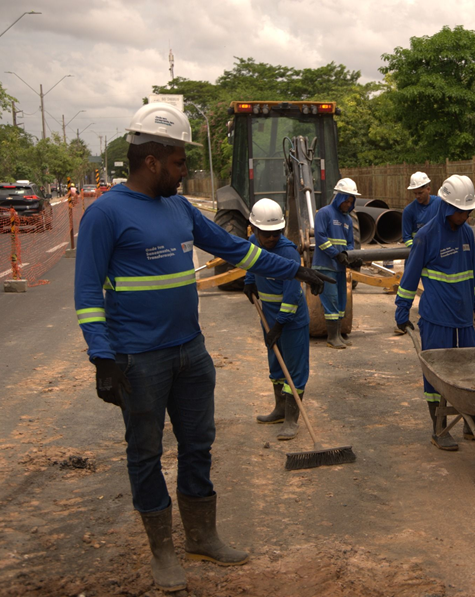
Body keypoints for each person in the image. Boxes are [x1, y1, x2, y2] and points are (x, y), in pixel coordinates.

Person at [74, 102, 331, 593]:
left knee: (198, 444)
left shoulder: (179, 208)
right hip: (138, 358)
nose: (184, 170)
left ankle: (200, 535)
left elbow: (237, 249)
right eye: (178, 161)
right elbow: (87, 291)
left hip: (190, 353)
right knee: (146, 452)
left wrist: (294, 268)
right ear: (151, 158)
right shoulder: (105, 214)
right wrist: (101, 357)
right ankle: (162, 550)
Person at [394, 174, 475, 450]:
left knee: (471, 372)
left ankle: (472, 424)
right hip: (436, 319)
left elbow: (474, 274)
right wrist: (402, 310)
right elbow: (410, 277)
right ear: (447, 206)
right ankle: (439, 428)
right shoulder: (426, 237)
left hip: (463, 319)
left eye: (468, 210)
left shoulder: (468, 233)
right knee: (436, 375)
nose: (465, 215)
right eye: (461, 211)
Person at [243, 199, 309, 441]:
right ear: (254, 230)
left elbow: (292, 296)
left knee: (294, 370)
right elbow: (251, 261)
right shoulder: (253, 243)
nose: (271, 239)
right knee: (275, 366)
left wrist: (280, 324)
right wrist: (249, 280)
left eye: (276, 233)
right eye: (266, 234)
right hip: (269, 317)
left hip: (290, 321)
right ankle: (280, 410)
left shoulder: (288, 252)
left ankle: (292, 420)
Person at [313, 177, 362, 349]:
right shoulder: (324, 213)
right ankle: (332, 337)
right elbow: (321, 238)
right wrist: (336, 254)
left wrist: (350, 256)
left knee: (341, 301)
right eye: (346, 201)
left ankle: (339, 335)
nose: (348, 205)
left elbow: (350, 243)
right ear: (339, 197)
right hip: (325, 266)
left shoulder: (348, 220)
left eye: (351, 201)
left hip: (339, 267)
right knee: (331, 300)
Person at [401, 171, 442, 248]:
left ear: (428, 189)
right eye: (415, 193)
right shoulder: (409, 211)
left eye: (420, 193)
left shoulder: (440, 204)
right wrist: (416, 251)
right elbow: (407, 238)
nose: (417, 196)